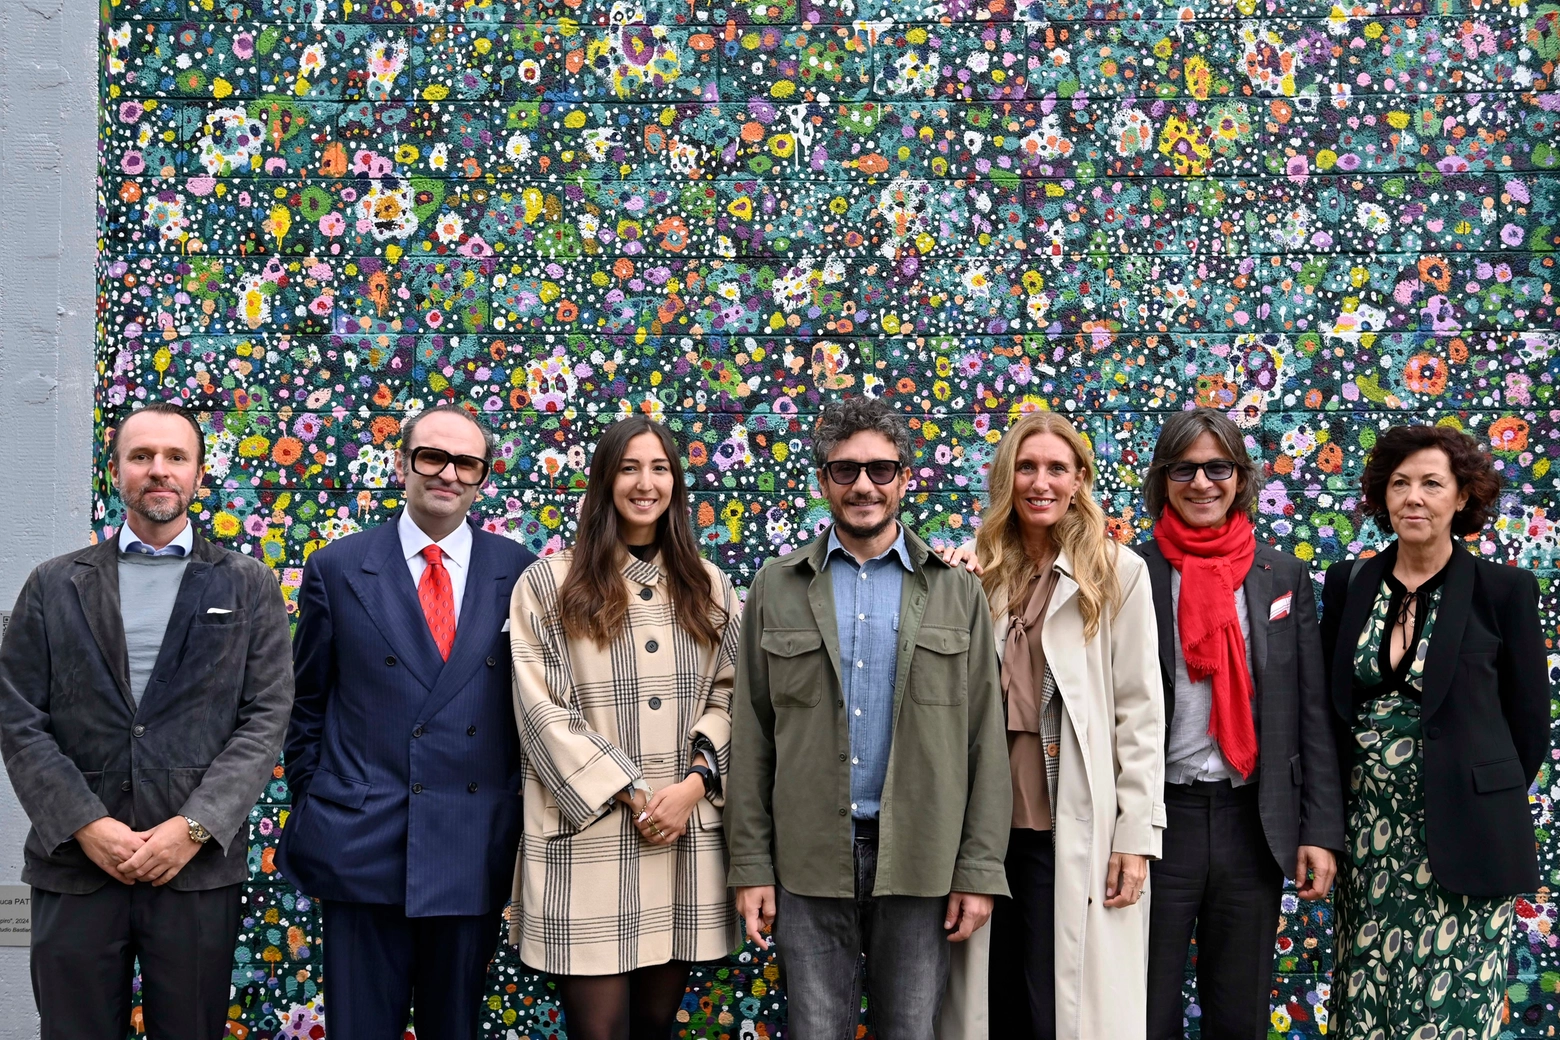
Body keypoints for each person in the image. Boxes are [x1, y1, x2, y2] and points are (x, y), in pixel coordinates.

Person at [0, 401, 294, 1040]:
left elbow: (265, 717)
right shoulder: (52, 585)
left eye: (174, 457)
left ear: (197, 473)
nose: (158, 470)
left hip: (193, 870)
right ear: (116, 471)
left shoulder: (248, 584)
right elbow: (19, 718)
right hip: (75, 867)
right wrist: (84, 823)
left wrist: (194, 827)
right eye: (141, 457)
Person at [726, 397, 1012, 1040]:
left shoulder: (956, 590)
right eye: (845, 470)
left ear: (907, 478)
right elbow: (752, 735)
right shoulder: (775, 587)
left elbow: (983, 741)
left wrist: (978, 870)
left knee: (910, 1029)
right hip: (806, 861)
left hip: (922, 859)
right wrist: (750, 866)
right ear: (823, 480)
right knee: (816, 1029)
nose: (863, 486)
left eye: (882, 470)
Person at [276, 403, 536, 1040]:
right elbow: (306, 703)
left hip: (471, 840)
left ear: (483, 476)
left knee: (455, 1028)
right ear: (402, 464)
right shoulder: (337, 567)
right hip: (362, 840)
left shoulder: (521, 571)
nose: (447, 473)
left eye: (466, 462)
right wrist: (319, 800)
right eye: (431, 457)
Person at [507, 416, 741, 1040]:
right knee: (598, 1030)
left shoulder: (709, 584)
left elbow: (735, 693)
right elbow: (541, 709)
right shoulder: (549, 583)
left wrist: (694, 784)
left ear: (677, 484)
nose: (646, 483)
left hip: (682, 834)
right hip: (590, 835)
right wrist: (635, 793)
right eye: (630, 468)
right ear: (605, 480)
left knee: (655, 1023)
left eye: (660, 468)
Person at [938, 411, 1165, 1039]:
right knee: (992, 1002)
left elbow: (1141, 714)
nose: (1040, 482)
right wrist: (955, 591)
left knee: (1054, 1006)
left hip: (1069, 826)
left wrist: (1135, 839)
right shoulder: (972, 573)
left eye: (1056, 469)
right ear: (1006, 479)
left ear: (1079, 480)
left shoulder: (1117, 574)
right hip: (980, 829)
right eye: (1026, 467)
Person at [1320, 424, 1548, 1040]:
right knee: (1368, 1006)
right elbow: (1327, 710)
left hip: (1465, 839)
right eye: (1399, 484)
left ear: (1462, 497)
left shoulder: (1504, 590)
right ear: (1381, 496)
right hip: (1369, 842)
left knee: (1451, 1014)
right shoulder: (1349, 584)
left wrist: (1470, 792)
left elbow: (1529, 725)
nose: (1412, 498)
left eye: (1430, 483)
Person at [1137, 408, 1345, 1040]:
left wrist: (1320, 830)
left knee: (1241, 1008)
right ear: (1163, 479)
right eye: (1185, 469)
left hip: (1252, 821)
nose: (1202, 483)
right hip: (1155, 822)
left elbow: (1309, 710)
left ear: (1240, 477)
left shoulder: (1281, 574)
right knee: (1142, 1007)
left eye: (1217, 467)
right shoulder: (1129, 572)